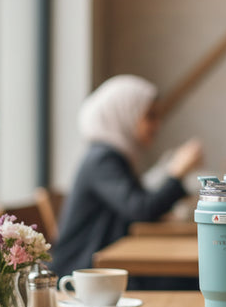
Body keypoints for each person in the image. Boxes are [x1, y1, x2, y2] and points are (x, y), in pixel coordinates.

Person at [50, 75, 203, 280]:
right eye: (149, 116)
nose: (157, 125)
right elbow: (142, 209)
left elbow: (137, 208)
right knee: (195, 279)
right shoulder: (102, 159)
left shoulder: (112, 156)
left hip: (105, 265)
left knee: (195, 278)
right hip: (84, 273)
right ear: (122, 114)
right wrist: (176, 173)